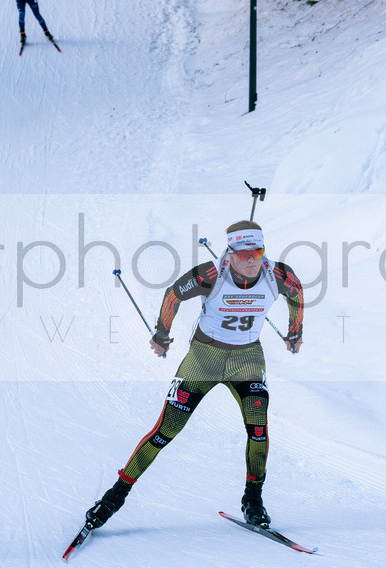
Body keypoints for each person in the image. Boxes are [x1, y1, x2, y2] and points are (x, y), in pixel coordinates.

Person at [85, 220, 304, 530]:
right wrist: (162, 336)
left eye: (258, 252)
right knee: (165, 431)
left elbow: (297, 295)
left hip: (247, 359)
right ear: (229, 254)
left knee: (258, 431)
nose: (253, 260)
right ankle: (113, 498)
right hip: (204, 357)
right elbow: (173, 295)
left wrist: (295, 332)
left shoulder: (277, 274)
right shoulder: (211, 275)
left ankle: (252, 501)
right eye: (244, 253)